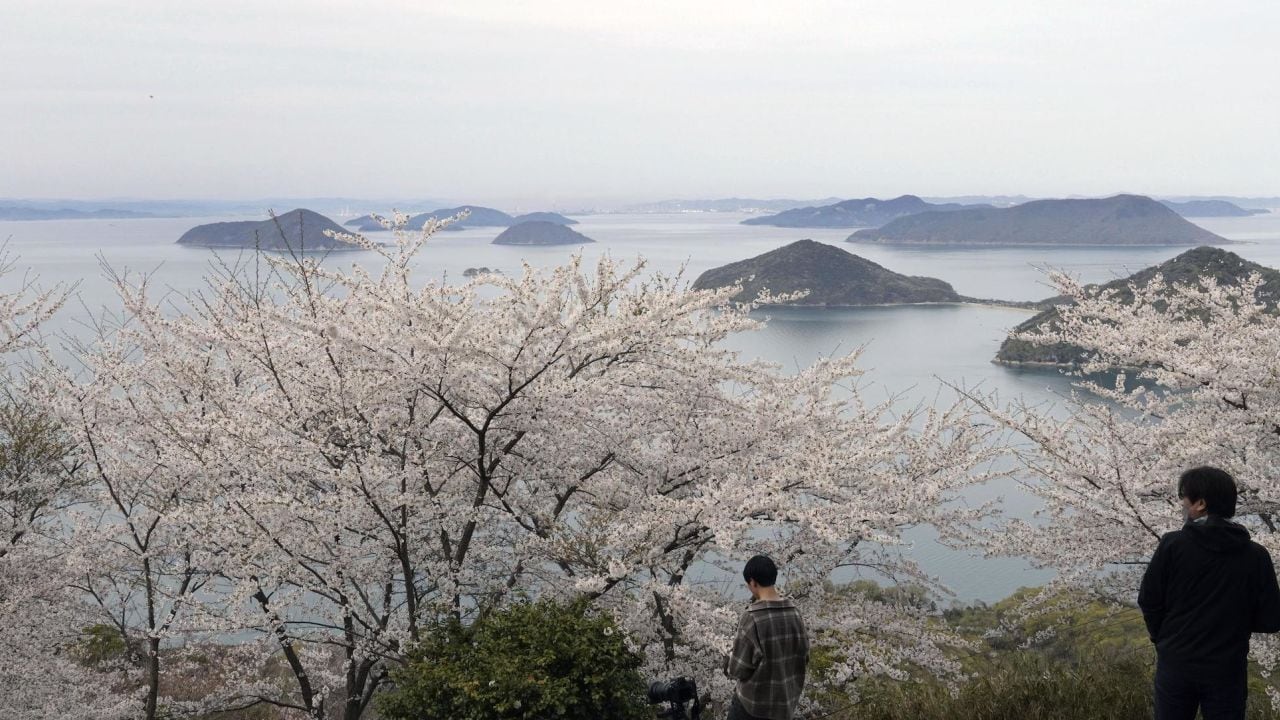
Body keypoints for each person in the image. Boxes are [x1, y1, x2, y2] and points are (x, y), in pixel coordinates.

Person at [1138, 466, 1280, 720]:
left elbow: (1149, 600)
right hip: (1228, 667)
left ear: (1200, 503)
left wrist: (1166, 639)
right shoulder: (1256, 555)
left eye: (1184, 496)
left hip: (1177, 663)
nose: (1182, 503)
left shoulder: (1173, 545)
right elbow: (1271, 619)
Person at [724, 555, 809, 720]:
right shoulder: (794, 613)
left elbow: (738, 669)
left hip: (754, 706)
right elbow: (804, 656)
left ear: (753, 582)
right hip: (785, 704)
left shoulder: (752, 617)